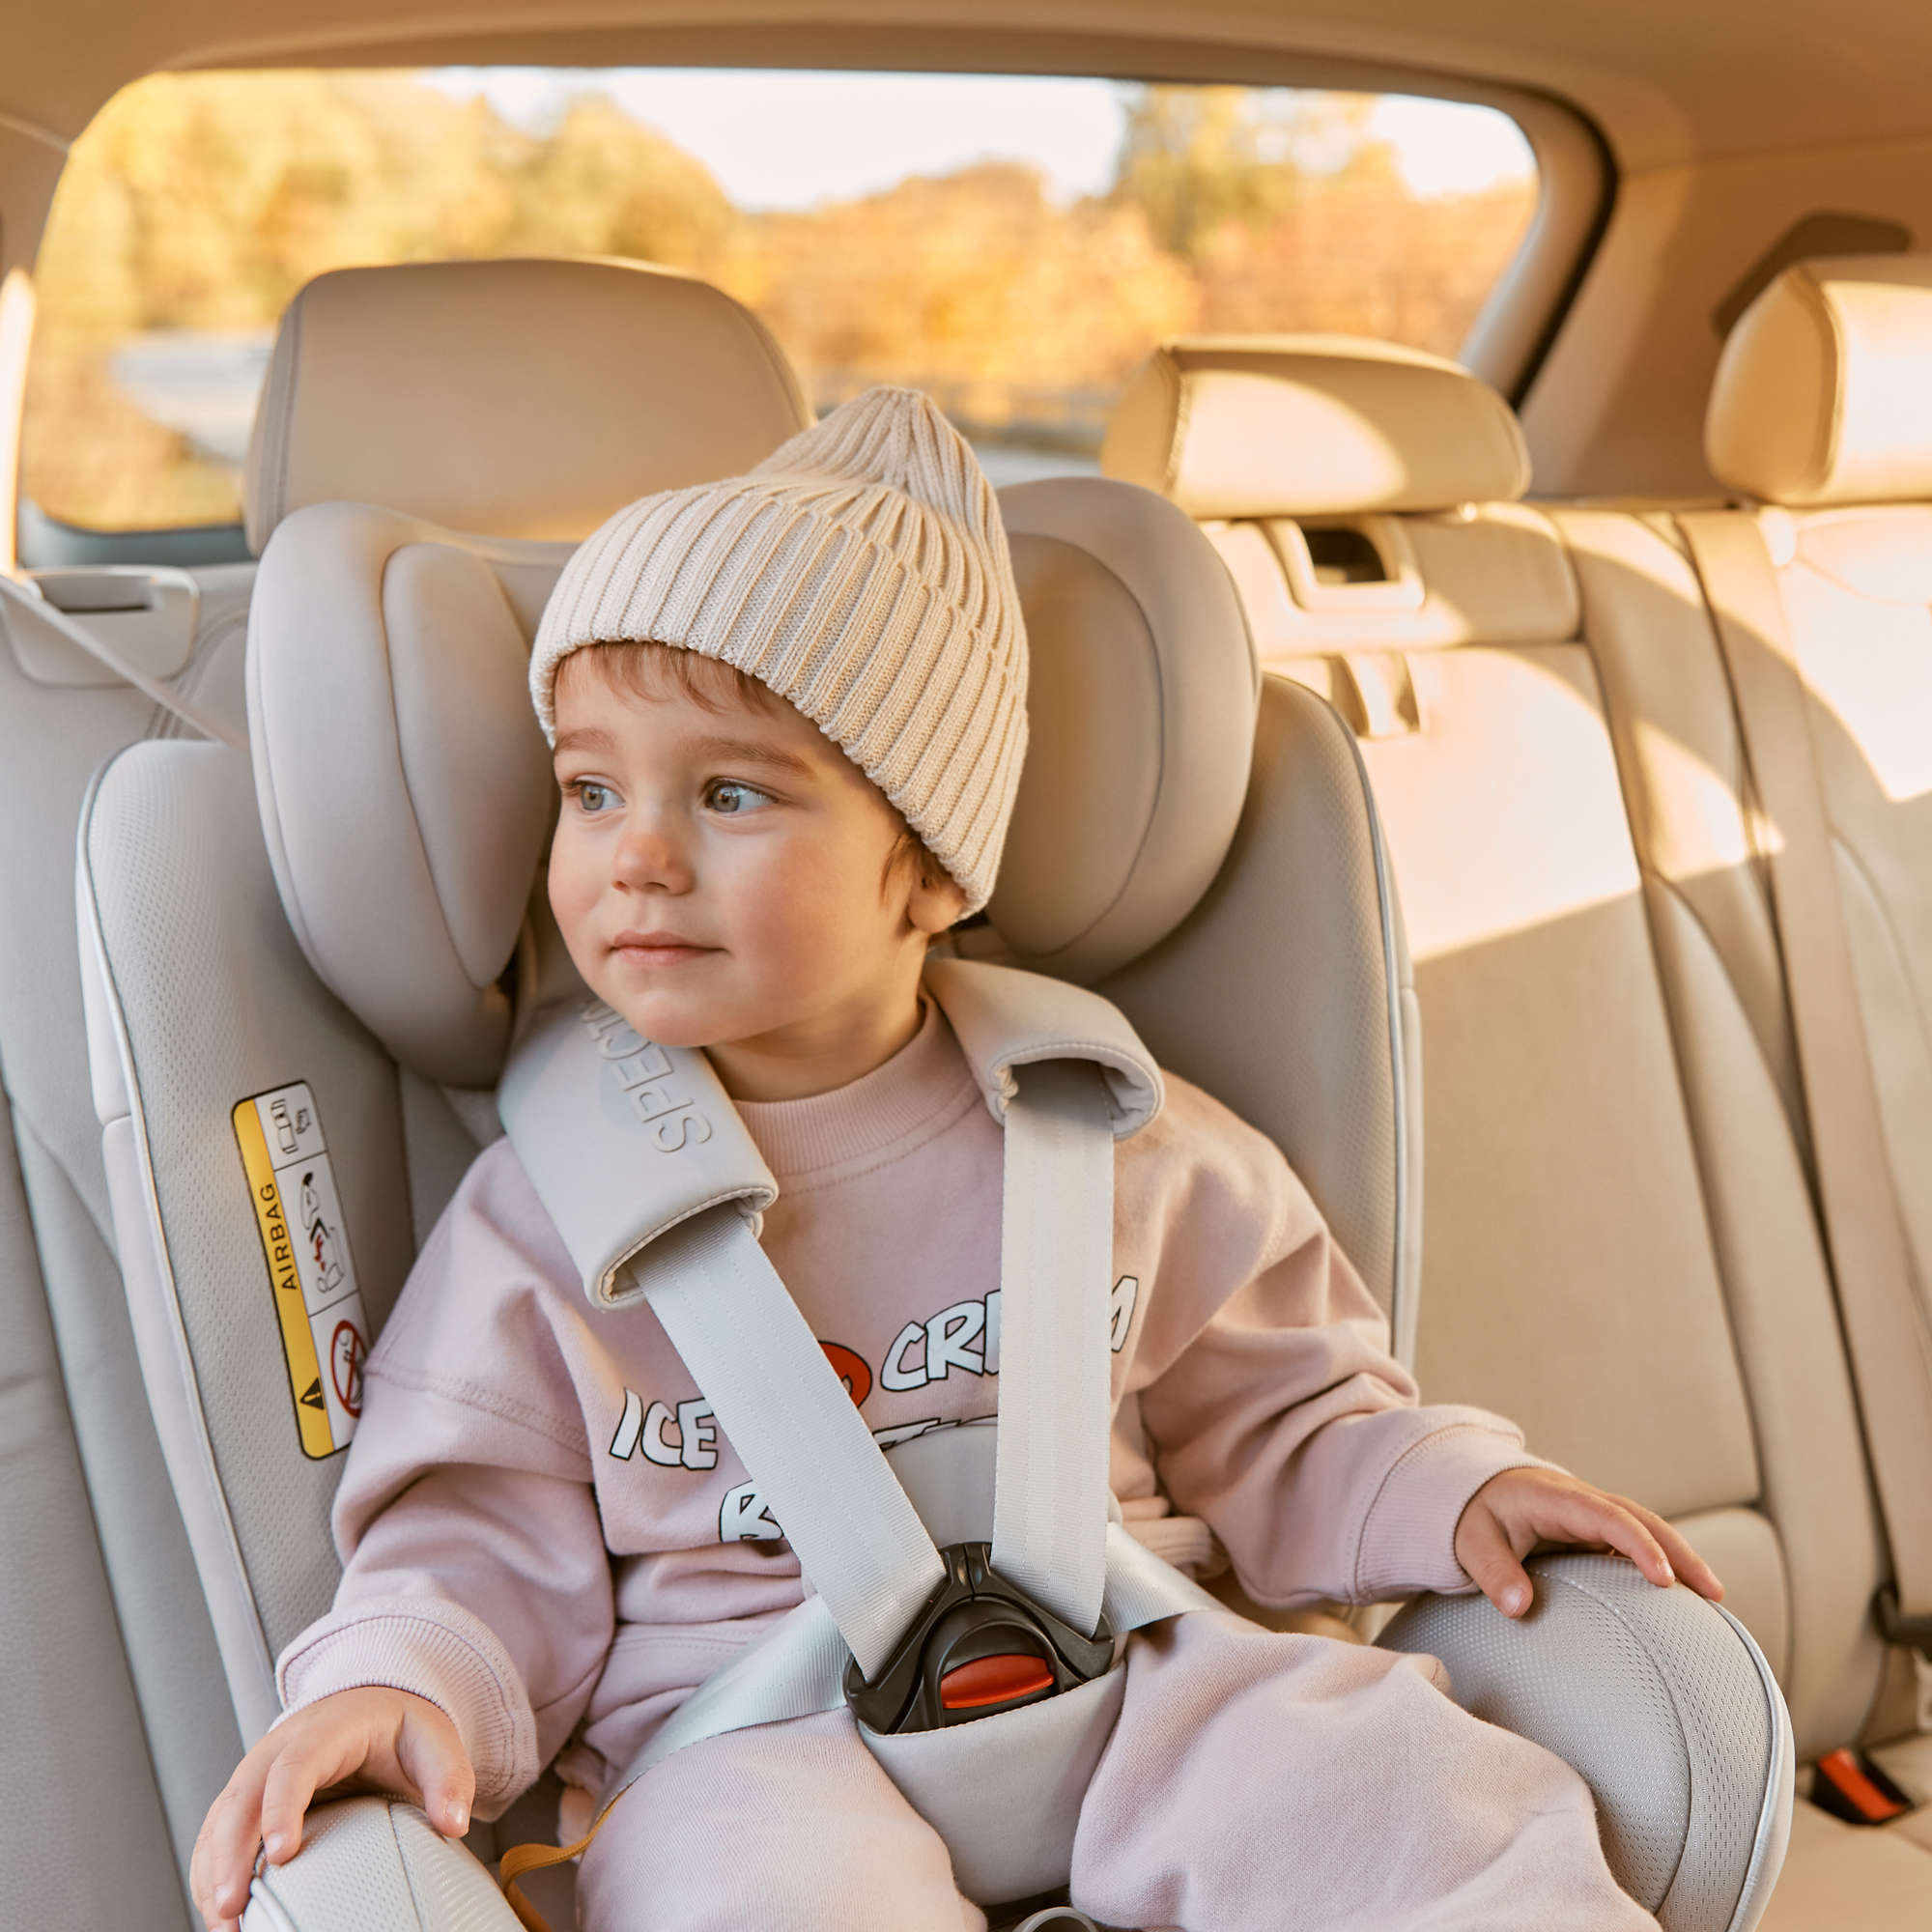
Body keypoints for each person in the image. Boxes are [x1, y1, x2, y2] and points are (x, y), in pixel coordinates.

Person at [190, 388, 1719, 1932]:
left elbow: (1289, 1408)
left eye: (729, 793)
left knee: (1419, 1793)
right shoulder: (544, 1217)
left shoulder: (1116, 1132)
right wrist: (404, 1683)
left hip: (1145, 1681)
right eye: (592, 789)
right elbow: (474, 1534)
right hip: (745, 1749)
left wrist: (1448, 1486)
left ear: (924, 866)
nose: (636, 853)